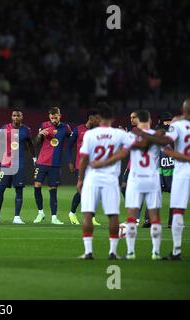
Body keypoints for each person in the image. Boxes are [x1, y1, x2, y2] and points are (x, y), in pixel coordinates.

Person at [92, 110, 163, 260]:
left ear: (139, 120)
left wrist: (104, 162)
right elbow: (168, 150)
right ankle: (156, 252)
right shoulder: (157, 136)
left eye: (133, 118)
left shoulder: (130, 136)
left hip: (136, 179)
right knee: (155, 217)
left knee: (131, 217)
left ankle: (131, 252)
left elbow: (122, 154)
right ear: (149, 120)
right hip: (152, 179)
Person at [131, 99, 190, 260]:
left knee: (178, 210)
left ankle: (176, 251)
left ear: (184, 111)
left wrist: (144, 134)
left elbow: (165, 141)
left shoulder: (178, 126)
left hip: (183, 172)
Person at [77, 103, 133, 260]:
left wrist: (81, 179)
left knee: (88, 214)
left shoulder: (90, 135)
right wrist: (112, 159)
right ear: (113, 118)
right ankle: (113, 252)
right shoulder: (119, 134)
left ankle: (88, 252)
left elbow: (84, 159)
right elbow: (127, 151)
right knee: (113, 215)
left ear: (99, 118)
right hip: (111, 179)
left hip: (92, 178)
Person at [0, 109, 35, 224]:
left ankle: (17, 217)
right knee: (0, 190)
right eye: (14, 115)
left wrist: (34, 158)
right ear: (11, 117)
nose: (16, 117)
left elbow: (30, 144)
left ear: (22, 117)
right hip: (6, 164)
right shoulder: (4, 128)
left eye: (18, 116)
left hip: (19, 165)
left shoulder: (26, 130)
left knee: (19, 190)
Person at [32, 107, 71, 225]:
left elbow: (73, 140)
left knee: (52, 189)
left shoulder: (66, 128)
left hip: (55, 164)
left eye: (56, 116)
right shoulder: (44, 125)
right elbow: (36, 143)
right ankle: (40, 213)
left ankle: (54, 217)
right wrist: (39, 135)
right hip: (42, 162)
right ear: (49, 117)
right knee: (37, 185)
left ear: (60, 116)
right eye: (52, 117)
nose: (54, 119)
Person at [66, 109, 101, 226]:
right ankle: (72, 213)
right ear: (91, 118)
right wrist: (69, 161)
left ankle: (91, 217)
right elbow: (69, 147)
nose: (99, 121)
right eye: (97, 119)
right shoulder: (77, 130)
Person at [155, 112, 174, 228]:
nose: (168, 122)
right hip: (162, 169)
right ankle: (150, 220)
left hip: (169, 169)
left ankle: (171, 223)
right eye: (167, 120)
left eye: (169, 120)